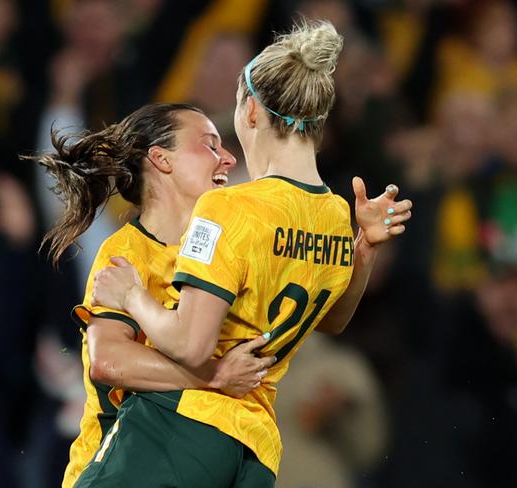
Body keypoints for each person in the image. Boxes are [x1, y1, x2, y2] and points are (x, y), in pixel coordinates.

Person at [79, 20, 413, 487]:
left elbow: (191, 345)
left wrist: (135, 298)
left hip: (175, 433)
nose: (228, 158)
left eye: (226, 130)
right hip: (255, 450)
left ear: (251, 111)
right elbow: (334, 320)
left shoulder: (231, 209)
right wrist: (366, 248)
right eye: (209, 144)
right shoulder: (335, 214)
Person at [32, 103, 275, 488]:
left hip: (219, 451)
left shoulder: (226, 249)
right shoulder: (127, 254)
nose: (228, 158)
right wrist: (213, 376)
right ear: (161, 159)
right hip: (125, 458)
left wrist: (362, 251)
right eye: (210, 146)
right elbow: (109, 361)